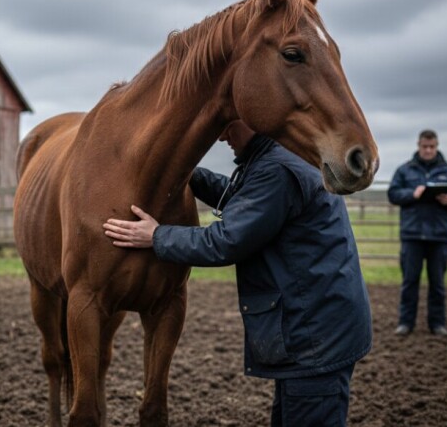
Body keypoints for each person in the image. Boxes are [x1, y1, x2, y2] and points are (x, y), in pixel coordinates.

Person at [103, 120, 372, 427]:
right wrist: (184, 171)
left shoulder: (277, 170)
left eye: (229, 125)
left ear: (254, 120)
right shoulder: (279, 157)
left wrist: (156, 236)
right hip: (317, 326)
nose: (221, 136)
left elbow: (226, 241)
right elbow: (241, 199)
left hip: (314, 337)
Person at [387, 129, 447, 337]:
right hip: (412, 235)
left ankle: (437, 324)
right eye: (425, 146)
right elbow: (393, 194)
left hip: (439, 236)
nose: (428, 150)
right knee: (409, 282)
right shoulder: (404, 170)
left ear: (437, 146)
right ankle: (405, 323)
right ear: (419, 146)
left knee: (437, 284)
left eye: (432, 147)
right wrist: (412, 194)